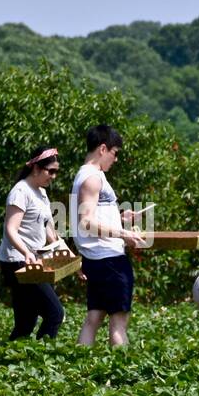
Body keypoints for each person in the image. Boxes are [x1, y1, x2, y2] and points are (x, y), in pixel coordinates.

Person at [70, 124, 144, 346]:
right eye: (115, 153)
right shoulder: (93, 178)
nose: (116, 159)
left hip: (95, 259)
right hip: (109, 259)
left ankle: (78, 367)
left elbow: (90, 214)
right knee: (118, 322)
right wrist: (123, 234)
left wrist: (120, 217)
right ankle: (121, 374)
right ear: (103, 148)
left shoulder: (85, 175)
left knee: (94, 317)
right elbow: (86, 222)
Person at [0, 145, 67, 339]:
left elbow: (50, 233)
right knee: (55, 314)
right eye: (50, 171)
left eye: (56, 172)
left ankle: (10, 364)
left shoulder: (41, 193)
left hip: (34, 261)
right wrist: (27, 252)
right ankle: (42, 361)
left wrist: (70, 259)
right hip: (17, 262)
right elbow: (10, 229)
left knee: (26, 321)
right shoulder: (21, 191)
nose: (53, 176)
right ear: (36, 168)